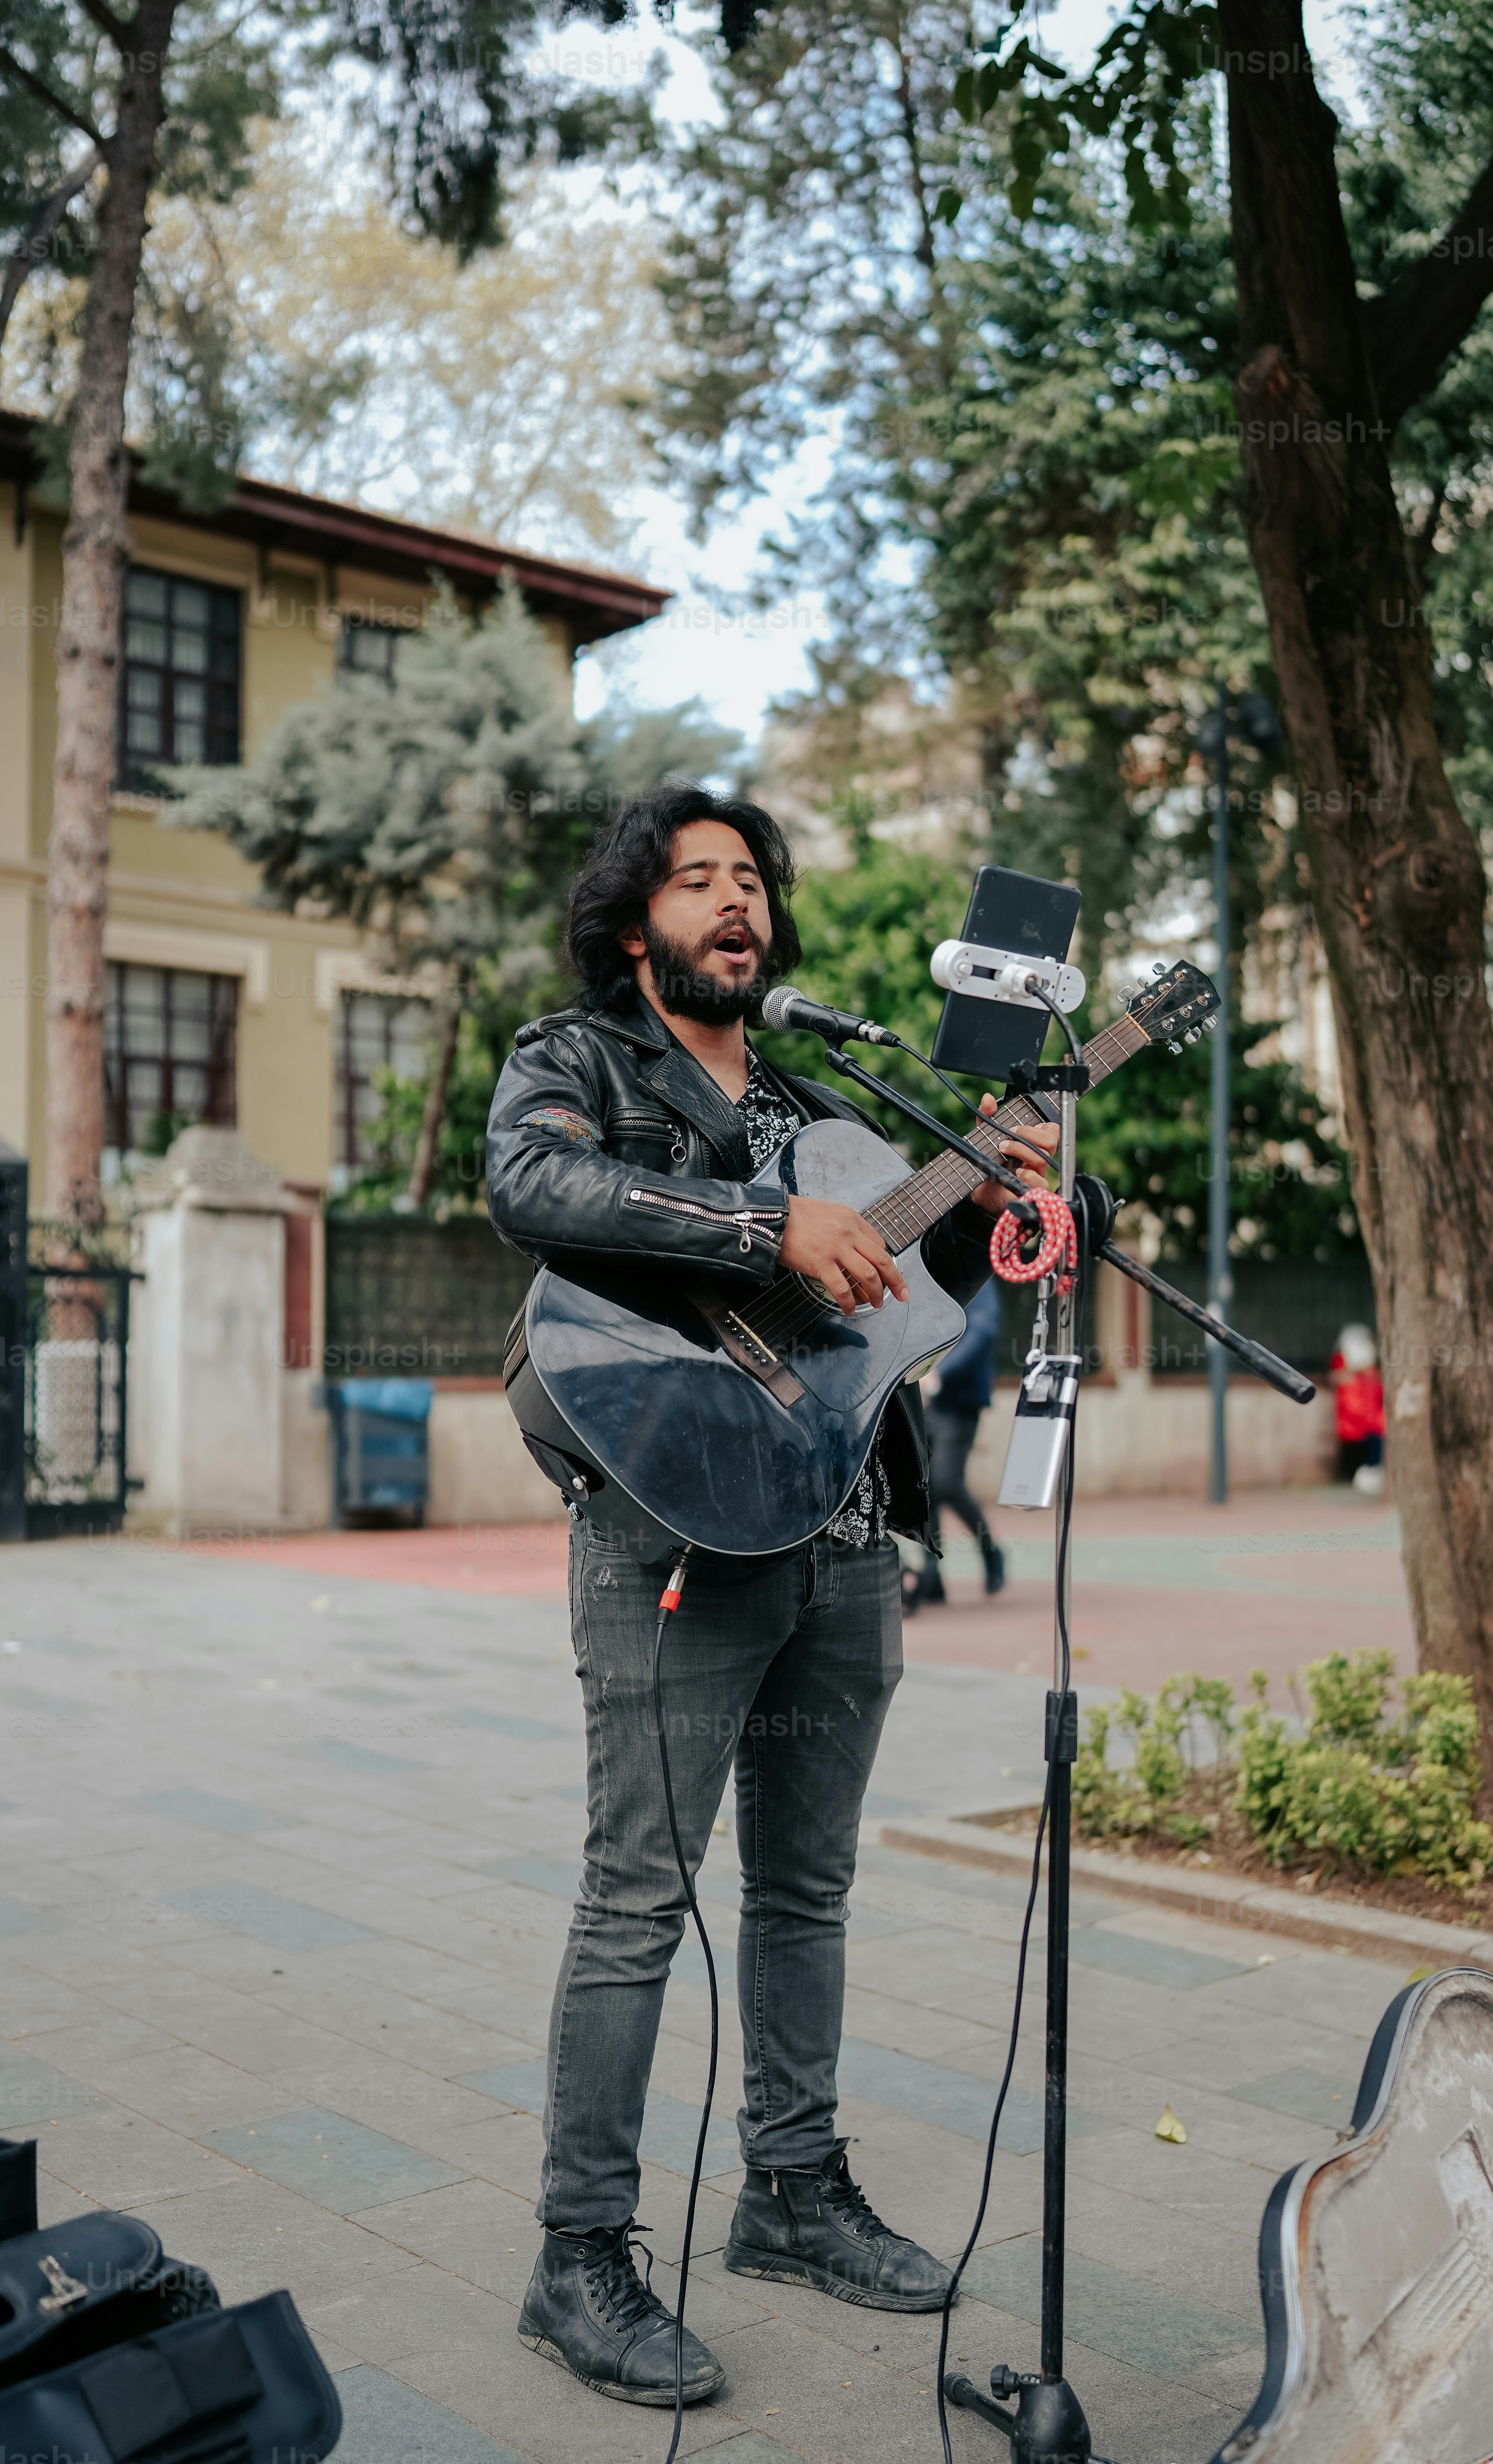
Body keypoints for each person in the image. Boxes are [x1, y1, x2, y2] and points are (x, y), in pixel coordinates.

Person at [485, 783, 1057, 2410]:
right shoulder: (572, 1059)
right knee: (634, 1903)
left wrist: (996, 1196)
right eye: (696, 881)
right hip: (668, 1532)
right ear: (632, 926)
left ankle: (791, 2193)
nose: (734, 902)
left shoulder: (826, 1102)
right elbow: (534, 1187)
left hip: (839, 1526)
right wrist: (762, 1222)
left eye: (751, 880)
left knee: (803, 1895)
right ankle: (577, 2255)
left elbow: (898, 1314)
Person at [904, 1275, 1006, 1610]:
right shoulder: (926, 1276)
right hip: (921, 1401)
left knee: (946, 1482)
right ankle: (932, 1575)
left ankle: (991, 1552)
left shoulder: (977, 1281)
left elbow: (983, 1331)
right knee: (924, 1486)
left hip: (959, 1403)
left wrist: (940, 1373)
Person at [1330, 1322, 1385, 1495]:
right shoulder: (1344, 1369)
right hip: (1357, 1424)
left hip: (1370, 1422)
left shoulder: (1370, 1375)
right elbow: (1353, 1405)